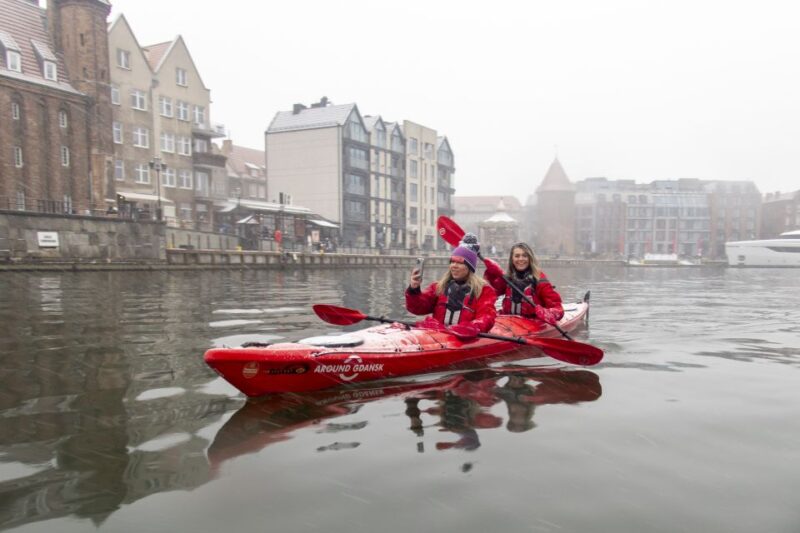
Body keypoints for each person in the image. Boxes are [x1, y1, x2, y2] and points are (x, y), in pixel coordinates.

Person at [405, 245, 497, 338]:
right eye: (452, 261)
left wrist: (471, 328)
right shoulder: (439, 287)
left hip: (465, 339)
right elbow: (417, 308)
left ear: (469, 267)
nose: (454, 266)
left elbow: (487, 317)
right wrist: (414, 289)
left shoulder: (484, 290)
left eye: (460, 262)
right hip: (438, 335)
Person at [483, 242, 564, 325]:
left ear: (530, 258)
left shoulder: (539, 280)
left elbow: (558, 309)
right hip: (507, 321)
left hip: (533, 323)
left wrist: (548, 313)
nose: (521, 259)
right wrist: (491, 275)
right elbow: (490, 294)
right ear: (512, 259)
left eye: (524, 256)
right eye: (517, 256)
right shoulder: (507, 279)